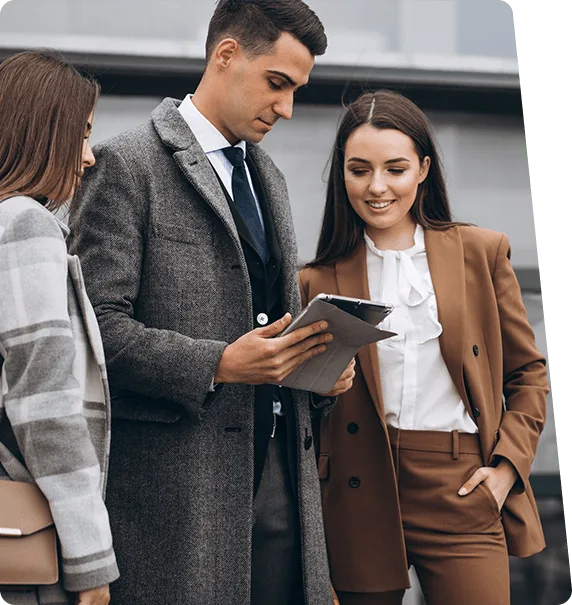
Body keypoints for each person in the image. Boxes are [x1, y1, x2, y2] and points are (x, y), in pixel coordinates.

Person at [70, 1, 354, 604]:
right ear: (225, 55)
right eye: (277, 84)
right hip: (179, 500)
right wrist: (220, 363)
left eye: (297, 90)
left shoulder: (269, 176)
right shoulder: (127, 163)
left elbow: (264, 324)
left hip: (281, 482)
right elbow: (94, 331)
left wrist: (316, 367)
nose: (287, 108)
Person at [299, 89, 549, 605]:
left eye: (395, 169)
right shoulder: (314, 279)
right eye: (359, 170)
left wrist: (505, 471)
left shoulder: (481, 252)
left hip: (460, 486)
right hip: (353, 487)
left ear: (423, 169)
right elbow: (304, 402)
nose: (377, 187)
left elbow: (528, 374)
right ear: (341, 174)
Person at [0, 50, 119, 605]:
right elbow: (44, 407)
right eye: (82, 134)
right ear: (43, 133)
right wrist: (91, 560)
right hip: (28, 532)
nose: (90, 156)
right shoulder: (25, 225)